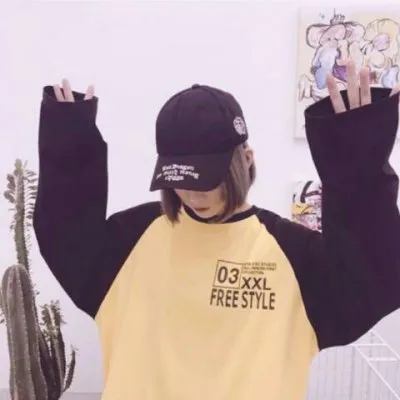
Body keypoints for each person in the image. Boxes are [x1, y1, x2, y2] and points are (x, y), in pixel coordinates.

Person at [33, 59, 400, 400]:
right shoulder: (127, 244)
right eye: (180, 179)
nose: (194, 194)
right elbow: (63, 231)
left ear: (246, 160)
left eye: (208, 179)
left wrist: (356, 155)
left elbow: (374, 277)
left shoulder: (293, 257)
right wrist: (69, 136)